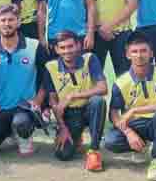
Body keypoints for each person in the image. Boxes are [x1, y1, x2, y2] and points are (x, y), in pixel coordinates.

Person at [0, 4, 48, 157]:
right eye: (3, 20)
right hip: (0, 106)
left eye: (11, 20)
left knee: (21, 122)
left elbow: (46, 78)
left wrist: (38, 101)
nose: (7, 24)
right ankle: (8, 132)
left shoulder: (34, 45)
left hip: (24, 106)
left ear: (19, 22)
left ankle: (23, 135)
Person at [103, 31, 156, 181]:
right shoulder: (121, 82)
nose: (139, 55)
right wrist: (128, 132)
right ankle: (141, 146)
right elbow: (114, 114)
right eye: (134, 51)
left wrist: (135, 110)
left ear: (151, 53)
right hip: (135, 124)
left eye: (143, 51)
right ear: (127, 54)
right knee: (110, 141)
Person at [44, 30, 108, 171]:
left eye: (70, 46)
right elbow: (53, 101)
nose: (67, 51)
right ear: (56, 49)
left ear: (78, 46)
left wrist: (73, 96)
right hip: (69, 114)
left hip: (88, 109)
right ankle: (76, 136)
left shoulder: (90, 59)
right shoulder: (51, 67)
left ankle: (94, 151)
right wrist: (63, 127)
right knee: (63, 154)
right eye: (62, 48)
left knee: (98, 101)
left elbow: (103, 88)